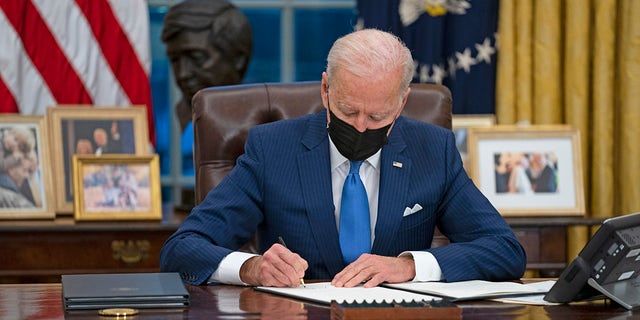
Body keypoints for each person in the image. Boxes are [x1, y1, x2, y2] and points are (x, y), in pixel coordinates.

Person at [160, 29, 526, 288]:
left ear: (401, 102)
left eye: (378, 117)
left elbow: (504, 251)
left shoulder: (433, 150)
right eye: (349, 111)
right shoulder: (273, 150)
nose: (363, 128)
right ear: (325, 90)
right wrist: (250, 268)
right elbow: (182, 249)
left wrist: (411, 265)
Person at [161, 0, 253, 132]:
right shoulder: (166, 120)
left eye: (197, 58)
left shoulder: (262, 121)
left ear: (238, 59)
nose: (182, 73)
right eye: (175, 60)